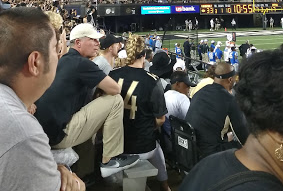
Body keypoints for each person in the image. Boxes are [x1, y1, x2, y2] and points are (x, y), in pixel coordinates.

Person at [35, 23, 138, 178]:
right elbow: (115, 89)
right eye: (93, 40)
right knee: (115, 100)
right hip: (58, 135)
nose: (98, 43)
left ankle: (86, 175)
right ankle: (109, 159)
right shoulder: (81, 63)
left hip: (45, 133)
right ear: (78, 43)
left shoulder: (64, 60)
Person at [180, 45, 283, 190]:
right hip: (208, 149)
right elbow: (242, 132)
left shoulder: (202, 90)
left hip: (192, 149)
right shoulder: (228, 98)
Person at [0, 7, 85, 191]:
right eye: (56, 49)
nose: (59, 56)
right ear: (35, 62)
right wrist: (78, 186)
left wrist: (50, 169)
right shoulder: (24, 132)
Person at [110, 35, 171, 191]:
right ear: (144, 55)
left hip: (115, 144)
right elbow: (161, 119)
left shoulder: (112, 75)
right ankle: (165, 185)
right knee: (157, 149)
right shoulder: (153, 80)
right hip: (143, 146)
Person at [185, 62, 249, 159]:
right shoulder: (229, 99)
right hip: (209, 152)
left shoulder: (201, 91)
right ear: (230, 80)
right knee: (241, 146)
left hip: (191, 147)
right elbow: (243, 135)